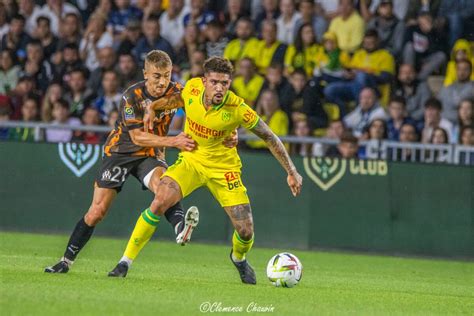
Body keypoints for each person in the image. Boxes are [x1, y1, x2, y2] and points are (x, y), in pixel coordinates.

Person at [107, 57, 303, 284]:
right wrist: (154, 107)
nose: (220, 88)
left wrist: (291, 171)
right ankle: (124, 262)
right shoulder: (192, 88)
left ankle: (238, 259)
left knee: (246, 231)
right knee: (160, 200)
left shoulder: (237, 108)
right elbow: (177, 99)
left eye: (225, 83)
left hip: (224, 169)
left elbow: (269, 136)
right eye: (215, 82)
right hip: (191, 161)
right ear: (204, 81)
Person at [44, 50, 238, 274]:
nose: (162, 81)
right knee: (97, 212)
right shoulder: (132, 96)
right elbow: (137, 137)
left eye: (167, 75)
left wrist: (230, 133)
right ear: (146, 74)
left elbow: (206, 110)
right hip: (120, 152)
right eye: (157, 76)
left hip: (150, 154)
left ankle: (181, 227)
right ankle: (66, 261)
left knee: (164, 186)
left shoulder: (179, 92)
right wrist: (173, 141)